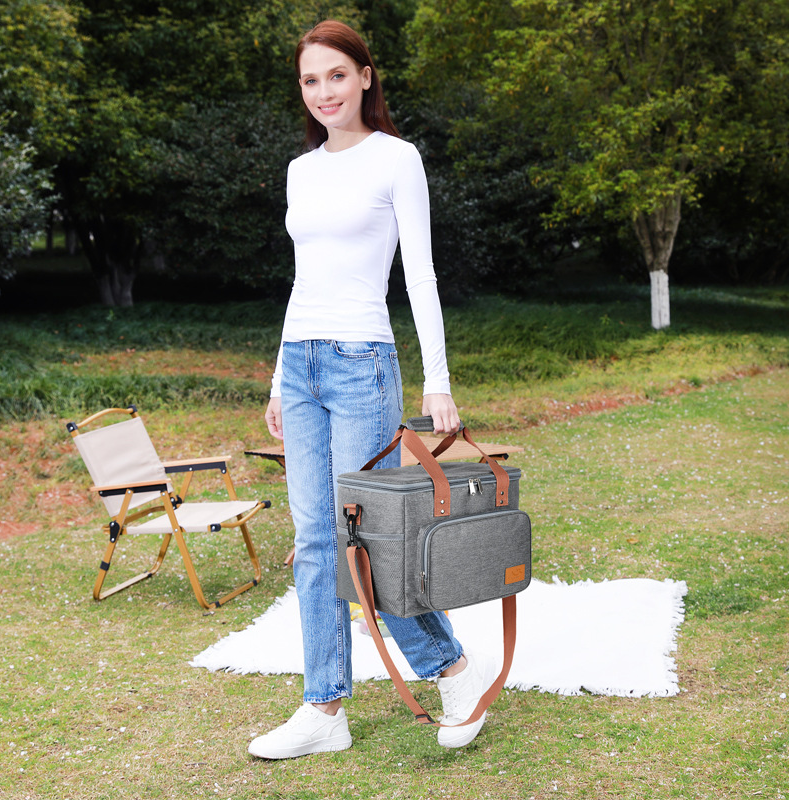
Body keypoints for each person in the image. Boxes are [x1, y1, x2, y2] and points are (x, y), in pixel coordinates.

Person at [248, 20, 494, 761]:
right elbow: (303, 280)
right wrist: (279, 376)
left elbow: (420, 272)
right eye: (309, 79)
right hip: (302, 364)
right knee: (314, 541)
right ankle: (324, 707)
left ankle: (453, 671)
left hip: (363, 363)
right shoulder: (300, 171)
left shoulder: (396, 158)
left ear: (364, 76)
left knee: (368, 537)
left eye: (335, 75)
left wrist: (438, 379)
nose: (323, 91)